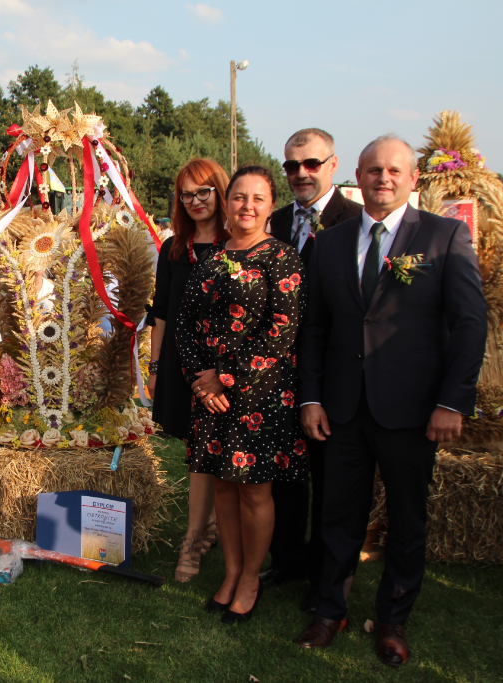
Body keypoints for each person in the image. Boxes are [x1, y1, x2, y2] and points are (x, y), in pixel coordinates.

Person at [295, 136, 486, 667]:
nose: (384, 178)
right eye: (374, 170)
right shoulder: (330, 243)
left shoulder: (445, 237)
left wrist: (453, 401)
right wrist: (310, 398)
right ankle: (330, 610)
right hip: (342, 409)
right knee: (337, 516)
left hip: (412, 410)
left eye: (394, 170)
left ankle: (394, 619)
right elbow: (314, 328)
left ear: (413, 177)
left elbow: (471, 323)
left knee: (406, 519)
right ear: (358, 173)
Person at [176, 165, 308, 623]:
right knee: (224, 489)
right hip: (209, 396)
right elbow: (185, 324)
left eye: (257, 198)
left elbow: (281, 333)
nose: (246, 206)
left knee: (253, 492)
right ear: (227, 203)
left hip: (259, 396)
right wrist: (200, 377)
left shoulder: (282, 258)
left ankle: (252, 577)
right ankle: (230, 573)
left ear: (271, 206)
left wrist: (224, 378)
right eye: (238, 197)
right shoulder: (210, 258)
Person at [263, 128, 363, 610]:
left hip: (331, 370)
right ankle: (287, 558)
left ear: (333, 165)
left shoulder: (358, 222)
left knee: (329, 477)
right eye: (291, 165)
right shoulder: (274, 222)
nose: (301, 173)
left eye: (311, 164)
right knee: (283, 472)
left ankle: (327, 572)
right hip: (275, 371)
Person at [148, 158, 230, 582]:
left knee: (208, 449)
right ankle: (206, 527)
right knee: (196, 448)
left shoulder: (236, 244)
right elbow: (161, 311)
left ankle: (194, 539)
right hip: (181, 363)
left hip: (223, 369)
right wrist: (156, 365)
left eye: (204, 192)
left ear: (220, 190)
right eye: (187, 194)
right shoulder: (173, 247)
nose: (196, 201)